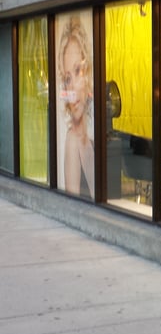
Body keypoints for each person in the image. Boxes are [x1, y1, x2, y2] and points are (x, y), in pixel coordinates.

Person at [58, 15, 95, 199]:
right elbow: (72, 208)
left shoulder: (90, 141)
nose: (71, 87)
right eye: (67, 78)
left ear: (87, 73)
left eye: (78, 71)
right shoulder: (72, 142)